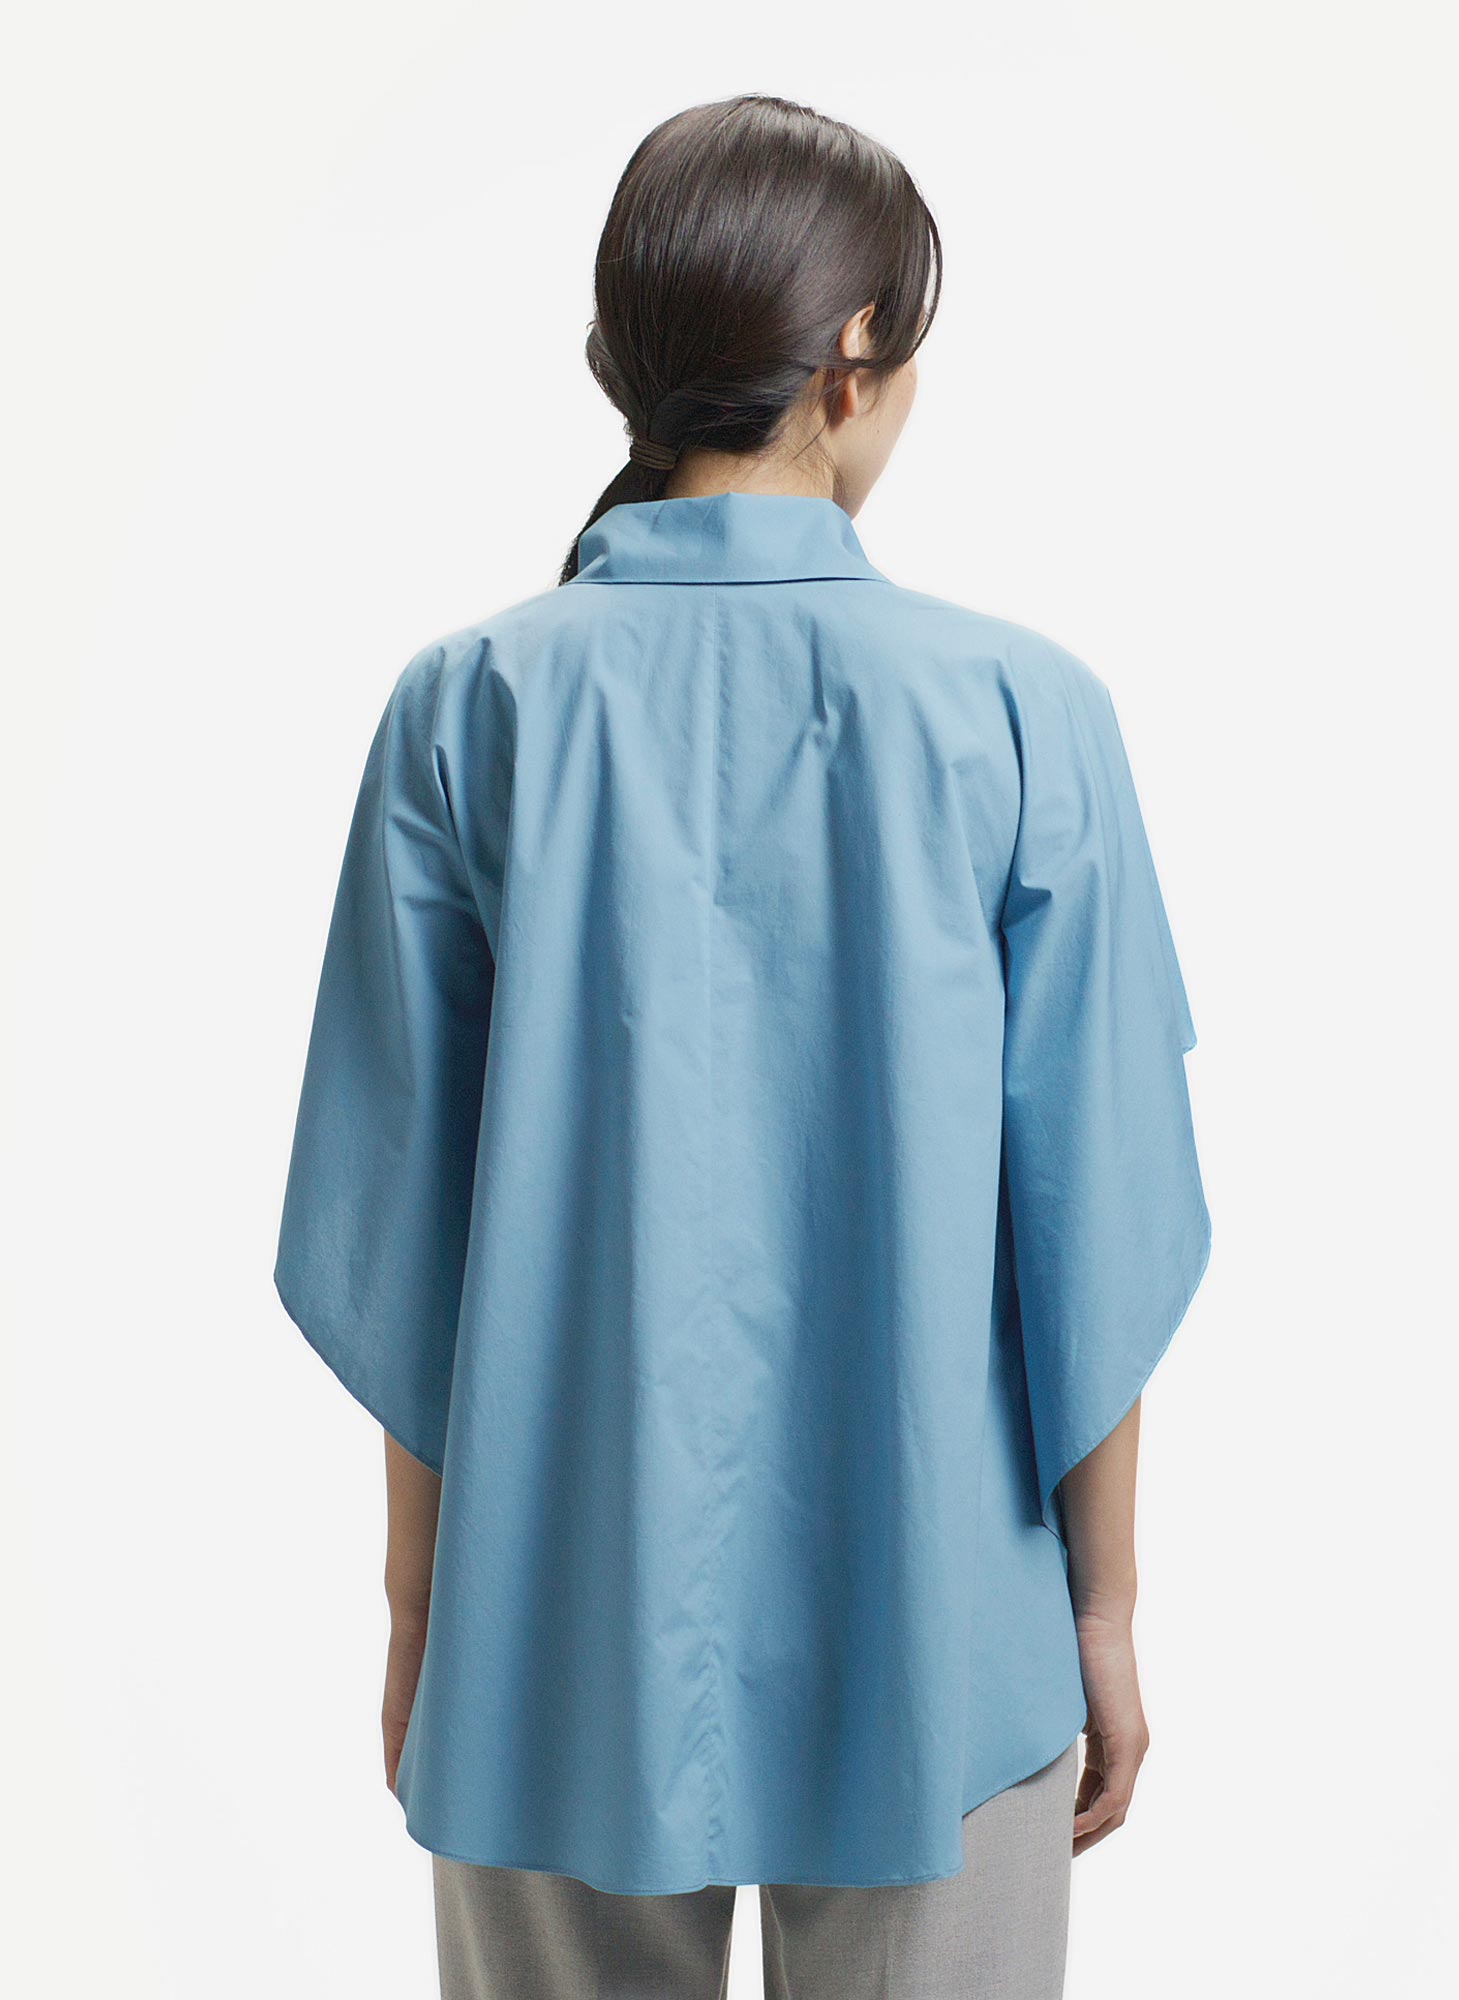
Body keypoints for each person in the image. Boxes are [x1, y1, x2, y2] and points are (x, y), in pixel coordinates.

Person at [274, 92, 1211, 2000]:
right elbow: (1095, 1223)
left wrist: (421, 1607)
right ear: (855, 350)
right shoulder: (1022, 711)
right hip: (948, 1627)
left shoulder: (468, 705)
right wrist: (1104, 1614)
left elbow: (398, 1236)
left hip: (551, 1619)